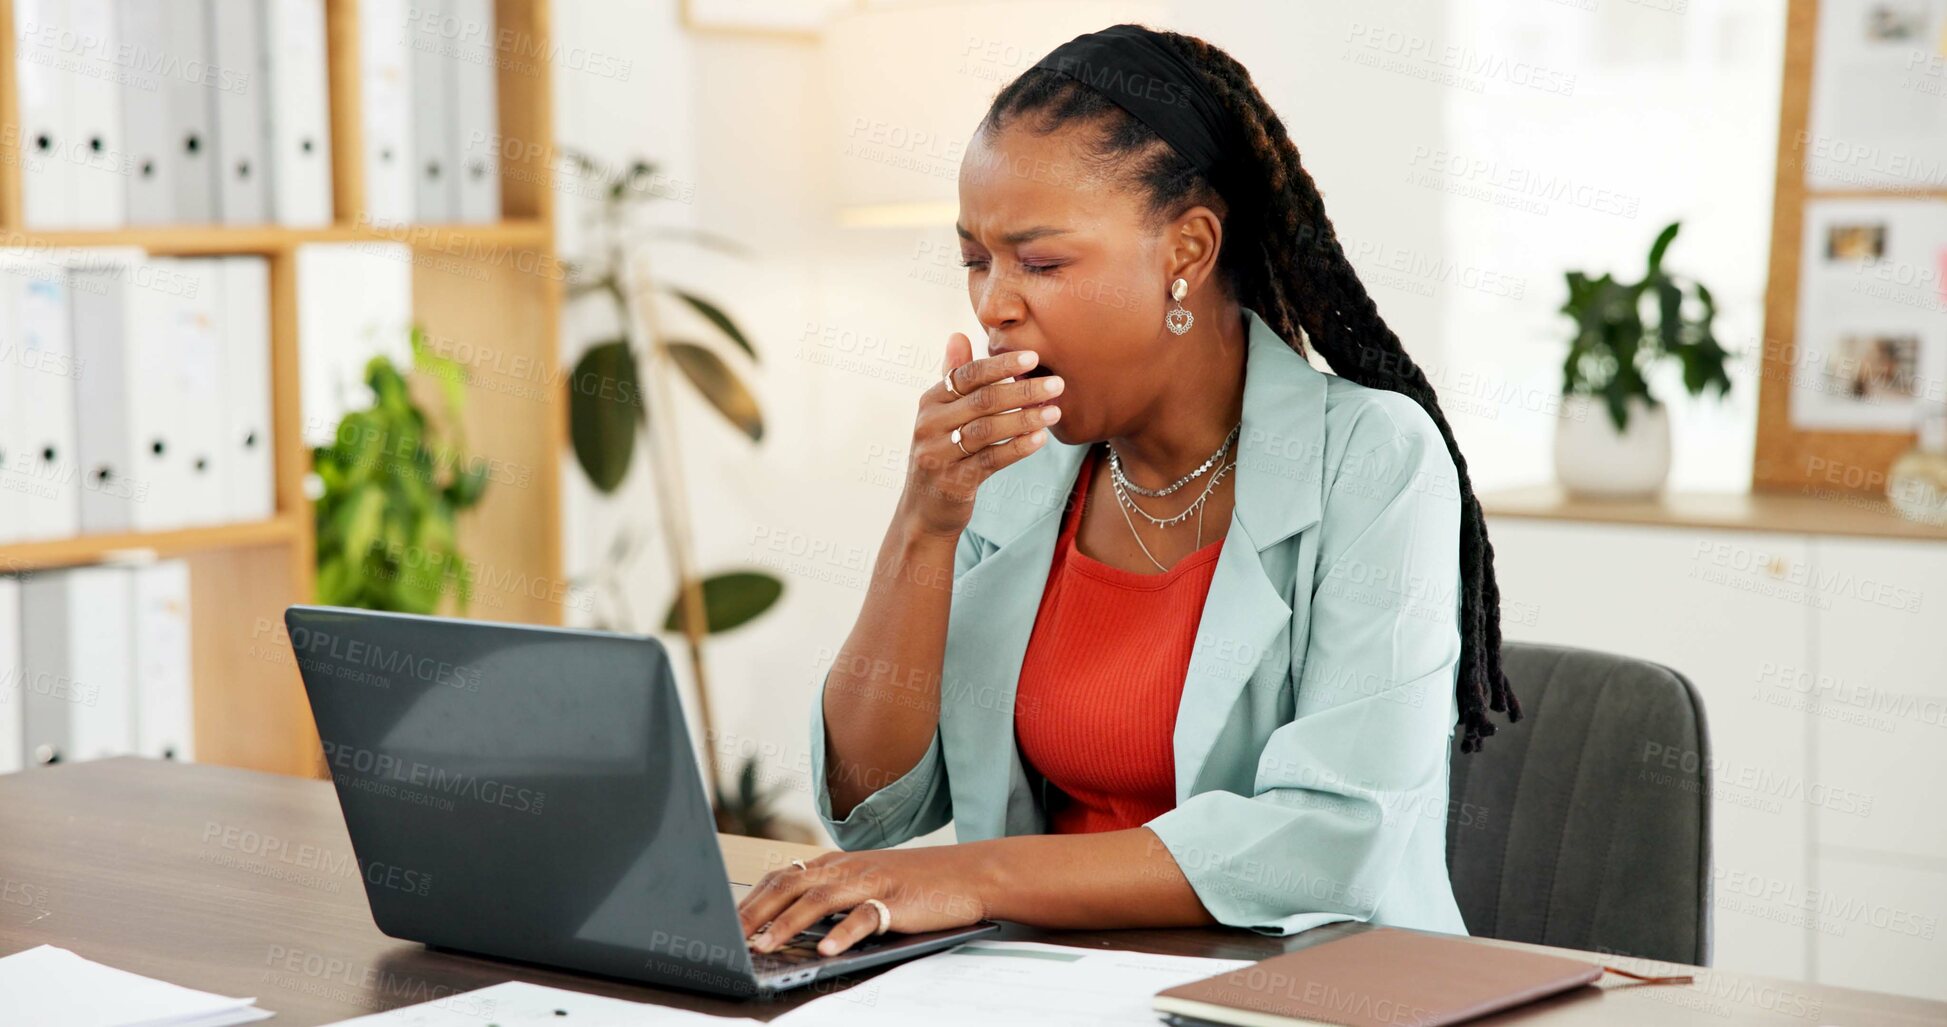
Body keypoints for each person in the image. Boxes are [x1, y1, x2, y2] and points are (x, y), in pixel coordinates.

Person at [736, 22, 1521, 959]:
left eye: (1040, 261)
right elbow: (872, 808)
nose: (992, 302)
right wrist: (923, 522)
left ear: (1185, 252)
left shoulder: (1373, 457)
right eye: (975, 260)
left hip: (1307, 995)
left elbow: (1331, 841)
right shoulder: (1019, 462)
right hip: (1040, 986)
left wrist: (970, 877)